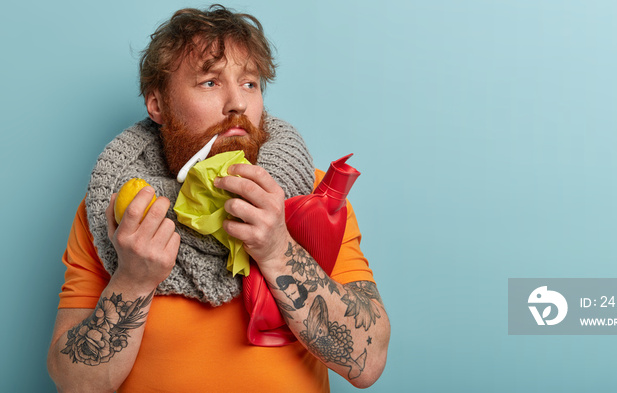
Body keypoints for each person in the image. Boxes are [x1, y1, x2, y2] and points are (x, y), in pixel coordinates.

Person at [46, 5, 390, 392]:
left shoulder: (311, 195)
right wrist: (133, 279)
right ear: (157, 104)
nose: (237, 104)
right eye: (210, 82)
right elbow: (77, 383)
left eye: (250, 83)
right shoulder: (115, 208)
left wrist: (277, 249)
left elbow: (368, 361)